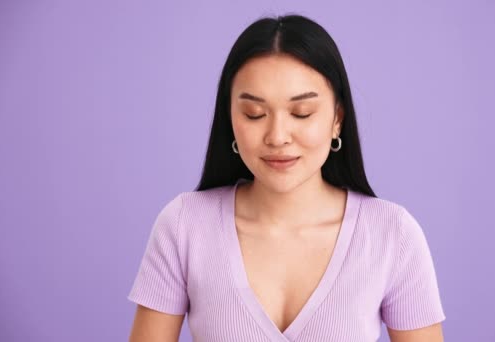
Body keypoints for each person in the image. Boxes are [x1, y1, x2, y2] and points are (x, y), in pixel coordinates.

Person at [127, 13, 446, 342]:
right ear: (231, 120)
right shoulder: (184, 226)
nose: (277, 136)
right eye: (255, 114)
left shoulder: (393, 235)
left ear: (337, 119)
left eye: (301, 113)